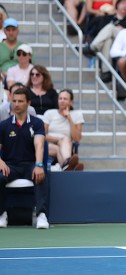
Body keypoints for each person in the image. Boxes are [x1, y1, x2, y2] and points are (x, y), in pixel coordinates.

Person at [0, 87, 49, 229]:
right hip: (11, 166)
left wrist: (39, 164)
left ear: (28, 103)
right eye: (14, 101)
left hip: (30, 164)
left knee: (41, 174)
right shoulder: (4, 125)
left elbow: (39, 145)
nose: (16, 104)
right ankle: (2, 213)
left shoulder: (37, 123)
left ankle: (41, 215)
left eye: (20, 101)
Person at [43, 89, 84, 171]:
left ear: (71, 102)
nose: (62, 101)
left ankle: (67, 166)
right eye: (60, 98)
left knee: (61, 146)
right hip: (48, 146)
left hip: (66, 146)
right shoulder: (49, 113)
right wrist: (59, 139)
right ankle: (70, 163)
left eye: (65, 99)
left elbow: (77, 138)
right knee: (64, 139)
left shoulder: (77, 115)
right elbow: (43, 135)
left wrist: (69, 119)